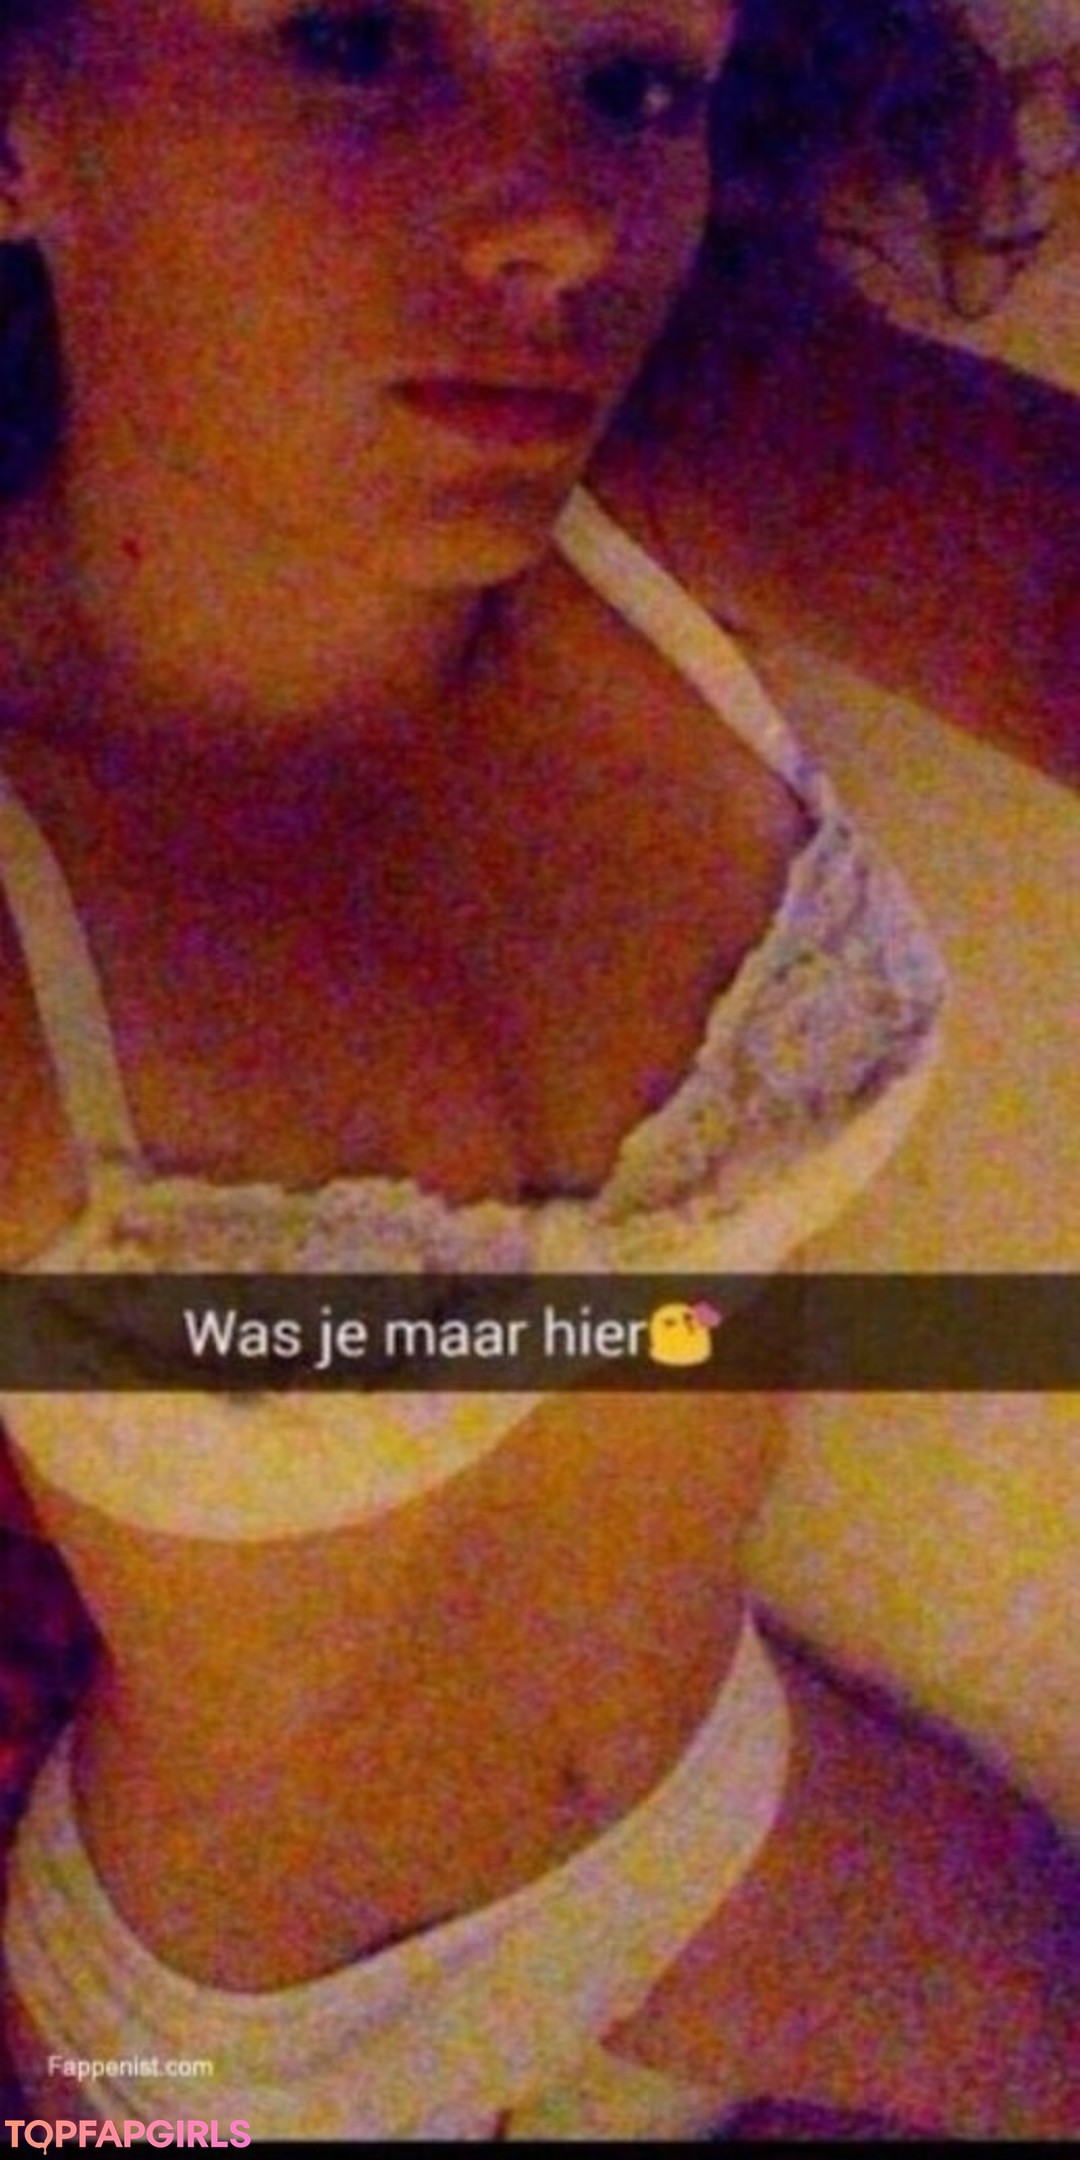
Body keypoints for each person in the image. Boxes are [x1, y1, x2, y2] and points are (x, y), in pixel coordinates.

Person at [0, 0, 1076, 2139]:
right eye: (353, 43)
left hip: (717, 1813)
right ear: (20, 129)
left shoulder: (670, 456)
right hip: (219, 2032)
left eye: (633, 84)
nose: (566, 222)